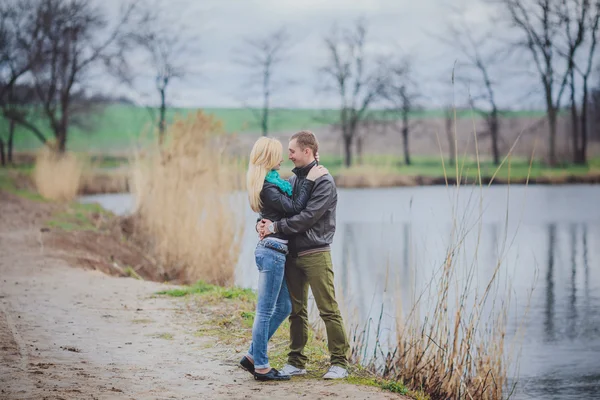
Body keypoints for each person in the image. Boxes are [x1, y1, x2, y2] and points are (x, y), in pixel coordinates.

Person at [258, 130, 350, 380]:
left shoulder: (324, 181)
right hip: (292, 253)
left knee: (327, 309)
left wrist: (275, 227)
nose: (288, 156)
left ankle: (340, 362)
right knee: (296, 311)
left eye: (292, 151)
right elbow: (285, 209)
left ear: (307, 151)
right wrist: (263, 222)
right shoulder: (298, 179)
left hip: (316, 253)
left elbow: (306, 217)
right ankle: (296, 361)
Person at [241, 136, 328, 382]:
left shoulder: (273, 182)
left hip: (274, 251)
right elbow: (296, 208)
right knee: (266, 310)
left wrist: (309, 169)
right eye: (279, 153)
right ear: (269, 157)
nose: (284, 157)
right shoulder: (269, 187)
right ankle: (261, 366)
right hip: (272, 252)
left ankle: (251, 356)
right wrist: (310, 180)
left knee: (284, 307)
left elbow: (276, 210)